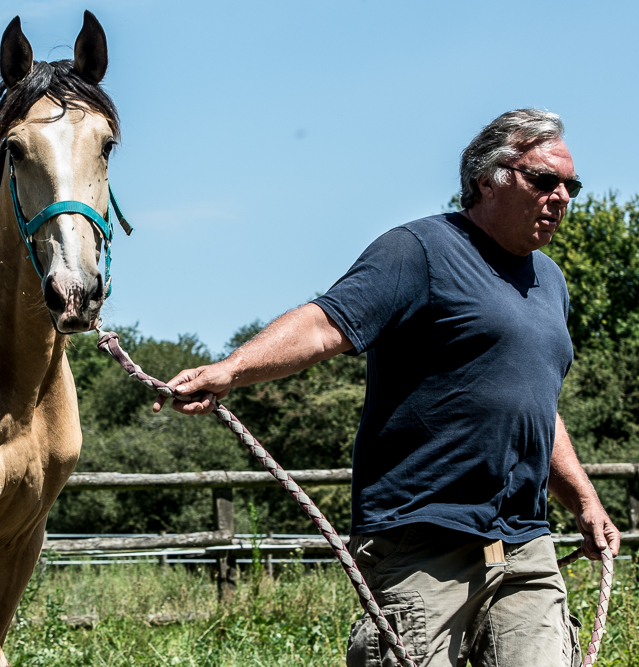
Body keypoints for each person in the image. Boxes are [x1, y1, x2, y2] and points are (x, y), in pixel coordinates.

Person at [153, 109, 620, 667]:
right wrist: (232, 369)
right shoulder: (420, 250)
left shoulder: (551, 282)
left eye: (571, 186)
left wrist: (585, 501)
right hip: (423, 537)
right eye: (544, 180)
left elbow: (537, 406)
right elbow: (325, 324)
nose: (561, 197)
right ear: (487, 179)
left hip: (525, 544)